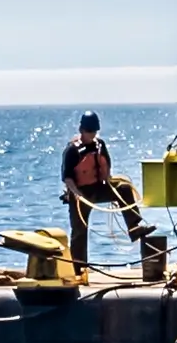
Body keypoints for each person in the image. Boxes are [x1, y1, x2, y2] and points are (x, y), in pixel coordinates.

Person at [61, 110, 155, 273]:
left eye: (94, 131)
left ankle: (134, 227)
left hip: (99, 188)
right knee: (79, 231)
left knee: (124, 189)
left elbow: (106, 167)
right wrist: (76, 193)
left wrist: (111, 184)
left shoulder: (100, 145)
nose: (92, 135)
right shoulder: (72, 150)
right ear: (81, 130)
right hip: (81, 194)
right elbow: (67, 177)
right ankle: (78, 268)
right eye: (89, 131)